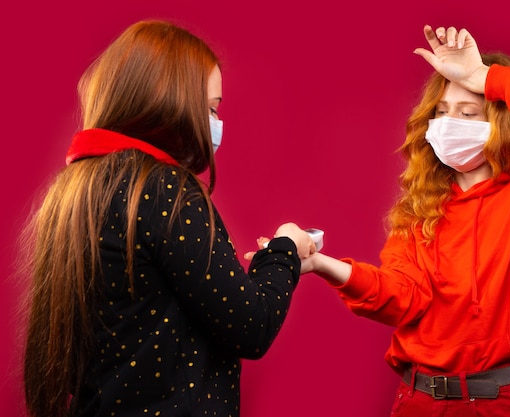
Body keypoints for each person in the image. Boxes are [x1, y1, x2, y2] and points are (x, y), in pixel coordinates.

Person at [290, 24, 510, 416]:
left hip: (506, 404)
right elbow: (401, 297)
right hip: (420, 401)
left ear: (503, 121)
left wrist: (483, 77)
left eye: (467, 111)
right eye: (441, 112)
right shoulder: (420, 208)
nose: (448, 122)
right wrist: (321, 263)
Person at [20, 20, 316, 417]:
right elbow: (252, 326)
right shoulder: (163, 190)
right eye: (211, 108)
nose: (217, 122)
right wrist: (286, 249)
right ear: (170, 100)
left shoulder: (76, 189)